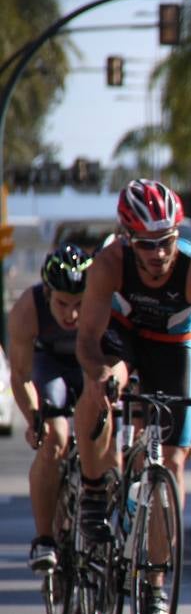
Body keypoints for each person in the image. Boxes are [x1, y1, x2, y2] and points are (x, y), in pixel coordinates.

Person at [74, 179, 191, 614]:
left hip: (173, 347)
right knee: (106, 381)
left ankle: (154, 584)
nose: (158, 253)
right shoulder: (109, 263)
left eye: (166, 240)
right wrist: (99, 375)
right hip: (121, 342)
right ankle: (93, 491)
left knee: (172, 461)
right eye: (147, 244)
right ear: (128, 240)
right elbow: (87, 340)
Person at [7, 244, 98, 575]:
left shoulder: (103, 302)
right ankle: (45, 538)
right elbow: (20, 376)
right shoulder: (26, 310)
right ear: (47, 293)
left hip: (89, 363)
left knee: (103, 435)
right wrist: (34, 417)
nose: (72, 315)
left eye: (79, 304)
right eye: (62, 303)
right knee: (55, 438)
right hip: (50, 366)